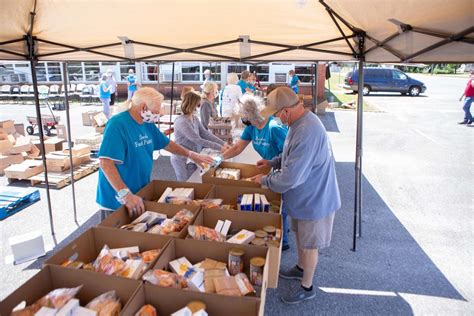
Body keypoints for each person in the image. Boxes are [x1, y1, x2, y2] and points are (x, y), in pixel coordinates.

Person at [250, 87, 341, 304]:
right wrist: (272, 162)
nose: (276, 119)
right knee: (301, 235)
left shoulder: (307, 130)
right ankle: (300, 268)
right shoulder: (298, 123)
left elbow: (290, 178)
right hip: (305, 197)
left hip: (315, 199)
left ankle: (307, 287)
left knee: (310, 245)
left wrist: (264, 180)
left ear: (286, 111)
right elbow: (290, 154)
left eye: (276, 114)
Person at [96, 87, 214, 218]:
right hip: (117, 199)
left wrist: (192, 155)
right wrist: (125, 194)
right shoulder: (117, 124)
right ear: (143, 107)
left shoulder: (147, 123)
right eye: (156, 111)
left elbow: (167, 144)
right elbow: (105, 163)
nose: (159, 114)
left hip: (139, 192)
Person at [222, 93, 290, 250]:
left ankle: (283, 241)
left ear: (250, 115)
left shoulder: (274, 128)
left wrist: (275, 169)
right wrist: (219, 159)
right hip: (270, 168)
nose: (242, 120)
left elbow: (289, 153)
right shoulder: (252, 128)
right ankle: (274, 232)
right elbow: (238, 147)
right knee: (271, 202)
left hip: (283, 170)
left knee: (282, 205)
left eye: (243, 116)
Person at [171, 91, 229, 181]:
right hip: (181, 158)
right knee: (184, 183)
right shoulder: (182, 121)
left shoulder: (194, 118)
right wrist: (219, 147)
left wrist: (223, 143)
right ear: (192, 104)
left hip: (194, 156)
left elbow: (205, 134)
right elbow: (197, 139)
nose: (199, 107)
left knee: (194, 180)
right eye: (198, 105)